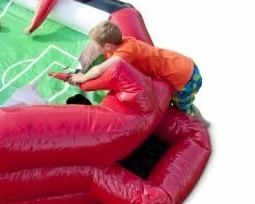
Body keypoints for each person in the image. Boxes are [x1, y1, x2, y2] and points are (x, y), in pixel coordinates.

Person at [68, 21, 208, 126]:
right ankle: (199, 120)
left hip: (185, 76)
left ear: (107, 46)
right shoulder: (117, 44)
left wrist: (83, 77)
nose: (93, 47)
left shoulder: (126, 52)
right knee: (181, 104)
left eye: (95, 45)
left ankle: (201, 126)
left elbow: (99, 69)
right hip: (181, 64)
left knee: (184, 108)